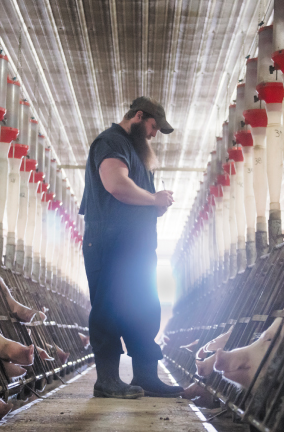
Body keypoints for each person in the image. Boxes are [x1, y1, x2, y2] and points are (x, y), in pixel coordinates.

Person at [79, 96, 183, 399]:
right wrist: (153, 200)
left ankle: (146, 377)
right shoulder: (112, 142)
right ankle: (108, 380)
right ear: (138, 117)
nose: (153, 134)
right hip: (110, 243)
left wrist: (153, 205)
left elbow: (133, 194)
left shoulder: (135, 151)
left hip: (135, 248)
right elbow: (115, 184)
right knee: (109, 309)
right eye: (153, 127)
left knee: (145, 309)